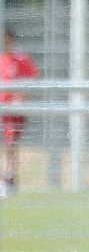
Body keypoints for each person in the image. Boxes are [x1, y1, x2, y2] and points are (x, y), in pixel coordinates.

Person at [0, 30, 39, 196]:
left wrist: (21, 96)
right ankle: (8, 179)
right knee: (9, 144)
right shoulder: (1, 60)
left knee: (11, 144)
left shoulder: (21, 59)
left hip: (14, 110)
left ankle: (9, 179)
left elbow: (33, 77)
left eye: (7, 40)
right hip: (3, 108)